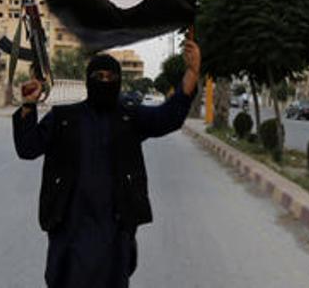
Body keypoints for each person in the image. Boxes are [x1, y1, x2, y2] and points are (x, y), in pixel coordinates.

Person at [13, 40, 201, 288]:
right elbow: (28, 148)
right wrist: (28, 105)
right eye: (98, 76)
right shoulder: (64, 118)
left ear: (119, 80)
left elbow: (168, 117)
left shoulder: (129, 117)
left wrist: (193, 72)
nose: (104, 81)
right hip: (70, 228)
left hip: (115, 228)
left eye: (110, 76)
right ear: (89, 80)